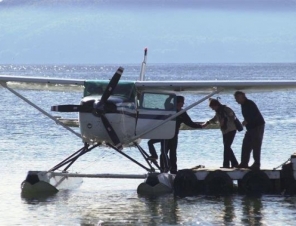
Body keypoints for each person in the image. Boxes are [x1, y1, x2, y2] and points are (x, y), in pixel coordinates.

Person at [161, 95, 202, 174]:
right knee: (164, 152)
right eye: (182, 102)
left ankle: (173, 170)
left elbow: (189, 123)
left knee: (173, 153)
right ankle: (163, 169)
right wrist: (171, 96)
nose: (183, 104)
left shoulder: (182, 113)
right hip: (165, 134)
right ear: (178, 102)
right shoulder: (170, 108)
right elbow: (166, 102)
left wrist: (200, 126)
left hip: (174, 135)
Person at [202, 98, 239, 168]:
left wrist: (225, 119)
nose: (212, 109)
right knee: (227, 147)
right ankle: (234, 163)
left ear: (216, 105)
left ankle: (226, 165)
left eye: (212, 107)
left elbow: (233, 116)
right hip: (225, 131)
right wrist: (207, 123)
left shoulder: (226, 109)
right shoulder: (218, 112)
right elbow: (215, 119)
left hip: (231, 130)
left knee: (226, 147)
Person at [234, 91, 265, 170]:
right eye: (235, 98)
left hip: (257, 126)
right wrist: (245, 122)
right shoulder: (243, 105)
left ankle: (256, 164)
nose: (236, 100)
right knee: (246, 144)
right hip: (250, 127)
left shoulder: (249, 103)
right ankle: (244, 163)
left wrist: (246, 121)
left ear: (243, 97)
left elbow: (254, 116)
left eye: (237, 98)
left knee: (256, 145)